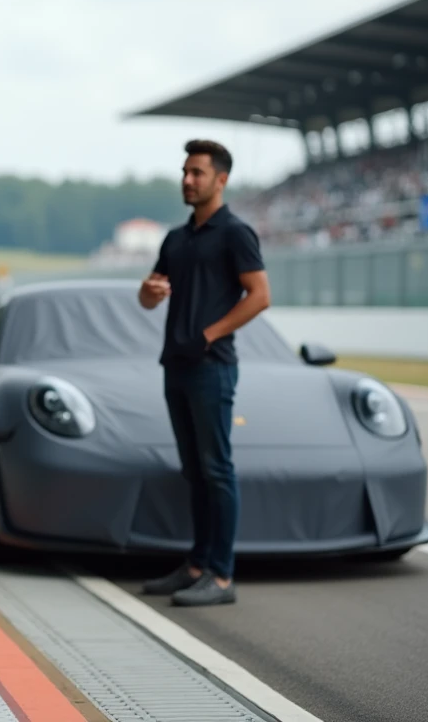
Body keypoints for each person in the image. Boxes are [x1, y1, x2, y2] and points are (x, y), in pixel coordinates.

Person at [138, 139, 271, 608]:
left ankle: (220, 575)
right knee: (194, 471)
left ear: (221, 179)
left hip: (212, 369)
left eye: (197, 172)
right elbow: (149, 296)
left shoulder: (236, 233)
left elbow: (259, 295)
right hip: (174, 366)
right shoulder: (175, 238)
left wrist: (209, 334)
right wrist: (150, 292)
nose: (188, 180)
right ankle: (195, 565)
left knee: (217, 471)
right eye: (185, 172)